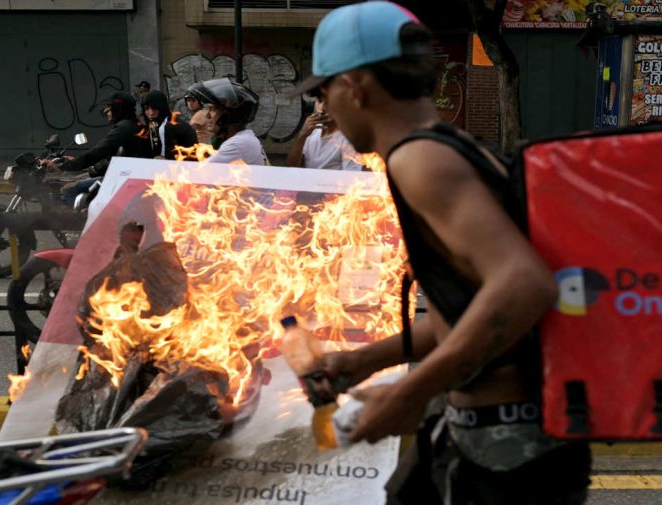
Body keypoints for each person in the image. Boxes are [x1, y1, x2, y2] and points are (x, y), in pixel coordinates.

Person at [291, 2, 590, 504]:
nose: (323, 107)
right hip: (475, 434)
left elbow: (524, 285)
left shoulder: (419, 161)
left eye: (323, 91)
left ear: (355, 86)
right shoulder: (455, 147)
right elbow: (477, 308)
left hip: (508, 455)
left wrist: (407, 393)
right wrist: (364, 360)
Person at [41, 92, 148, 205]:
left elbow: (97, 153)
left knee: (69, 189)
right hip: (129, 178)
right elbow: (112, 159)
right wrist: (82, 165)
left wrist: (63, 167)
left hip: (122, 182)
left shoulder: (123, 129)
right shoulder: (135, 125)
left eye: (109, 108)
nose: (106, 111)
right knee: (81, 183)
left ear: (118, 108)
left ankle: (78, 220)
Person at [188, 78, 268, 165]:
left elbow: (199, 172)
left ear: (229, 115)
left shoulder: (237, 144)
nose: (207, 116)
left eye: (213, 109)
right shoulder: (244, 137)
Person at [285, 94, 364, 171]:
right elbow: (291, 169)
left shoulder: (348, 139)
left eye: (328, 103)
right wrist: (302, 136)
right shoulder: (311, 131)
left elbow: (351, 178)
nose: (322, 109)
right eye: (320, 101)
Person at [141, 89, 198, 159]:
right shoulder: (156, 123)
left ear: (161, 107)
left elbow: (165, 157)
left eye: (154, 108)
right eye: (147, 109)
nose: (151, 113)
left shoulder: (167, 126)